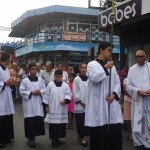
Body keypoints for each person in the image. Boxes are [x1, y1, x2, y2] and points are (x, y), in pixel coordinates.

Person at [85, 41, 123, 150]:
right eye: (108, 50)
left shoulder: (113, 67)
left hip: (111, 103)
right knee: (99, 134)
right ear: (101, 50)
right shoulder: (92, 64)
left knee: (114, 132)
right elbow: (94, 79)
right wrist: (105, 67)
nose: (110, 53)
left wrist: (114, 95)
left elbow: (117, 82)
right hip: (98, 104)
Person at [127, 50, 150, 150]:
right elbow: (128, 86)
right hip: (138, 101)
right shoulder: (132, 69)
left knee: (148, 122)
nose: (138, 58)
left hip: (149, 100)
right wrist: (138, 91)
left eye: (140, 56)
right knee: (138, 123)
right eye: (136, 57)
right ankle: (140, 143)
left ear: (145, 57)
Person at [19, 63, 46, 148]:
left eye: (35, 69)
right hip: (29, 104)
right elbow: (22, 91)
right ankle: (31, 138)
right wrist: (31, 93)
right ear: (29, 70)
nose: (34, 71)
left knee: (37, 120)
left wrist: (40, 92)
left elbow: (45, 89)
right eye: (32, 69)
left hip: (38, 103)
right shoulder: (25, 81)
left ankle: (34, 136)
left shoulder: (41, 80)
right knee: (30, 121)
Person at [43, 70, 71, 146]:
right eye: (57, 76)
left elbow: (69, 94)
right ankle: (54, 139)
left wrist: (65, 100)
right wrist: (46, 106)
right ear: (54, 76)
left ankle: (58, 137)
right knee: (53, 124)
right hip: (53, 108)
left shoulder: (65, 85)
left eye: (60, 76)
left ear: (62, 76)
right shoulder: (50, 85)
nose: (58, 78)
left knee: (60, 124)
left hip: (61, 108)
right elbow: (46, 96)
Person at [0, 53, 16, 148]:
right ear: (7, 59)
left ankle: (7, 137)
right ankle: (0, 139)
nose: (10, 61)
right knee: (1, 118)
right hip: (1, 96)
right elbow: (4, 82)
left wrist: (12, 81)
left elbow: (8, 80)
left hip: (7, 95)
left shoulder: (6, 69)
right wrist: (5, 83)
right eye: (9, 59)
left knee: (8, 116)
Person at [73, 63, 89, 146]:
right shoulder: (76, 79)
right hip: (79, 104)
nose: (84, 69)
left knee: (87, 121)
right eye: (82, 67)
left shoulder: (89, 79)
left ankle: (85, 135)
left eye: (85, 68)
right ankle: (81, 137)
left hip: (88, 104)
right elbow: (74, 91)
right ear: (80, 69)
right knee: (80, 121)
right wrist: (80, 101)